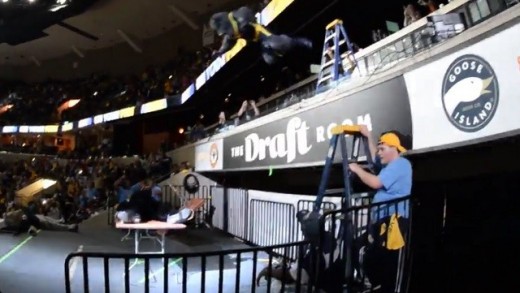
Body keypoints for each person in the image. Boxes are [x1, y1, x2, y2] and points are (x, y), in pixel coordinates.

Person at [348, 125, 412, 293]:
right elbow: (376, 159)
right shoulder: (389, 165)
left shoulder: (401, 164)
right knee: (365, 250)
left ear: (394, 149)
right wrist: (368, 136)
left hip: (393, 221)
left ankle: (382, 287)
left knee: (387, 261)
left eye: (382, 149)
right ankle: (374, 284)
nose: (379, 152)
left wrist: (357, 169)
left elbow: (376, 182)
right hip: (383, 220)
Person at [209, 6, 312, 65]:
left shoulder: (238, 16)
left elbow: (247, 12)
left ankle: (298, 41)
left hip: (264, 34)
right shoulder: (229, 35)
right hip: (259, 42)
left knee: (279, 44)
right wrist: (219, 52)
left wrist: (246, 23)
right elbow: (226, 45)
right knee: (270, 60)